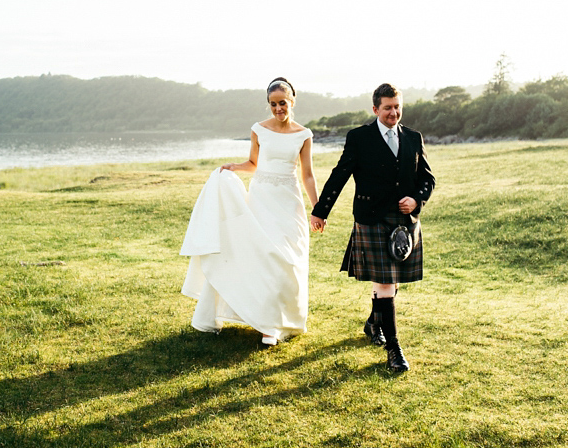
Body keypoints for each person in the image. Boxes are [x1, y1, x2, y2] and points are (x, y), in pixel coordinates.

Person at [180, 77, 320, 345]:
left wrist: (318, 208)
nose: (278, 108)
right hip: (261, 200)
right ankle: (267, 325)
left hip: (288, 202)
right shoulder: (258, 129)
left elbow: (308, 175)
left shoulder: (304, 135)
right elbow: (254, 163)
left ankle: (279, 320)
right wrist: (234, 167)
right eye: (273, 104)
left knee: (288, 260)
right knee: (262, 257)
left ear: (292, 102)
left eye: (282, 103)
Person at [310, 83, 435, 371]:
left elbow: (427, 179)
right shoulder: (360, 137)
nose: (394, 112)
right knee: (386, 283)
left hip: (404, 222)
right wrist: (320, 211)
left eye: (397, 107)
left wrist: (416, 199)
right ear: (375, 109)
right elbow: (340, 175)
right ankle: (394, 349)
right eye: (388, 107)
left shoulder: (414, 138)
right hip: (372, 219)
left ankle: (373, 322)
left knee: (392, 283)